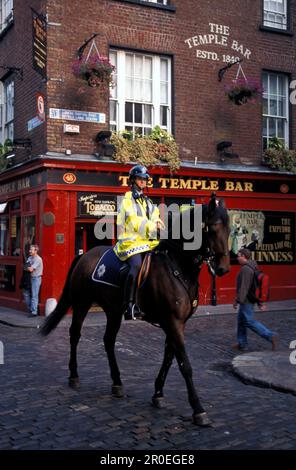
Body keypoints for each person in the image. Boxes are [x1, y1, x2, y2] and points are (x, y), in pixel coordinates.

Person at [114, 164, 164, 320]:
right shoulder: (127, 200)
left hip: (147, 243)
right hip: (130, 244)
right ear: (133, 180)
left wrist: (160, 224)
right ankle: (128, 305)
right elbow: (134, 221)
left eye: (145, 179)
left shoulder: (148, 202)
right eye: (140, 178)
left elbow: (155, 217)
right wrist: (152, 225)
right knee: (135, 266)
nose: (143, 181)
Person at [232, 248, 278, 351]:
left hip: (246, 300)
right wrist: (259, 302)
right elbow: (254, 285)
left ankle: (270, 336)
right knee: (241, 321)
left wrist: (237, 300)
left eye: (239, 256)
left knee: (249, 321)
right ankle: (242, 343)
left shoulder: (246, 269)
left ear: (244, 256)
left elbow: (244, 287)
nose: (237, 258)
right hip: (248, 299)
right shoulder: (253, 266)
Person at [24, 245, 43, 317]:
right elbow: (25, 266)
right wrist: (27, 267)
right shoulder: (30, 257)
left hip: (36, 278)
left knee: (34, 295)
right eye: (30, 249)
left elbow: (30, 269)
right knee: (26, 293)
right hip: (29, 278)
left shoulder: (38, 259)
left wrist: (27, 267)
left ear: (36, 251)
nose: (29, 251)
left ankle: (34, 312)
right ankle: (31, 308)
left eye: (31, 250)